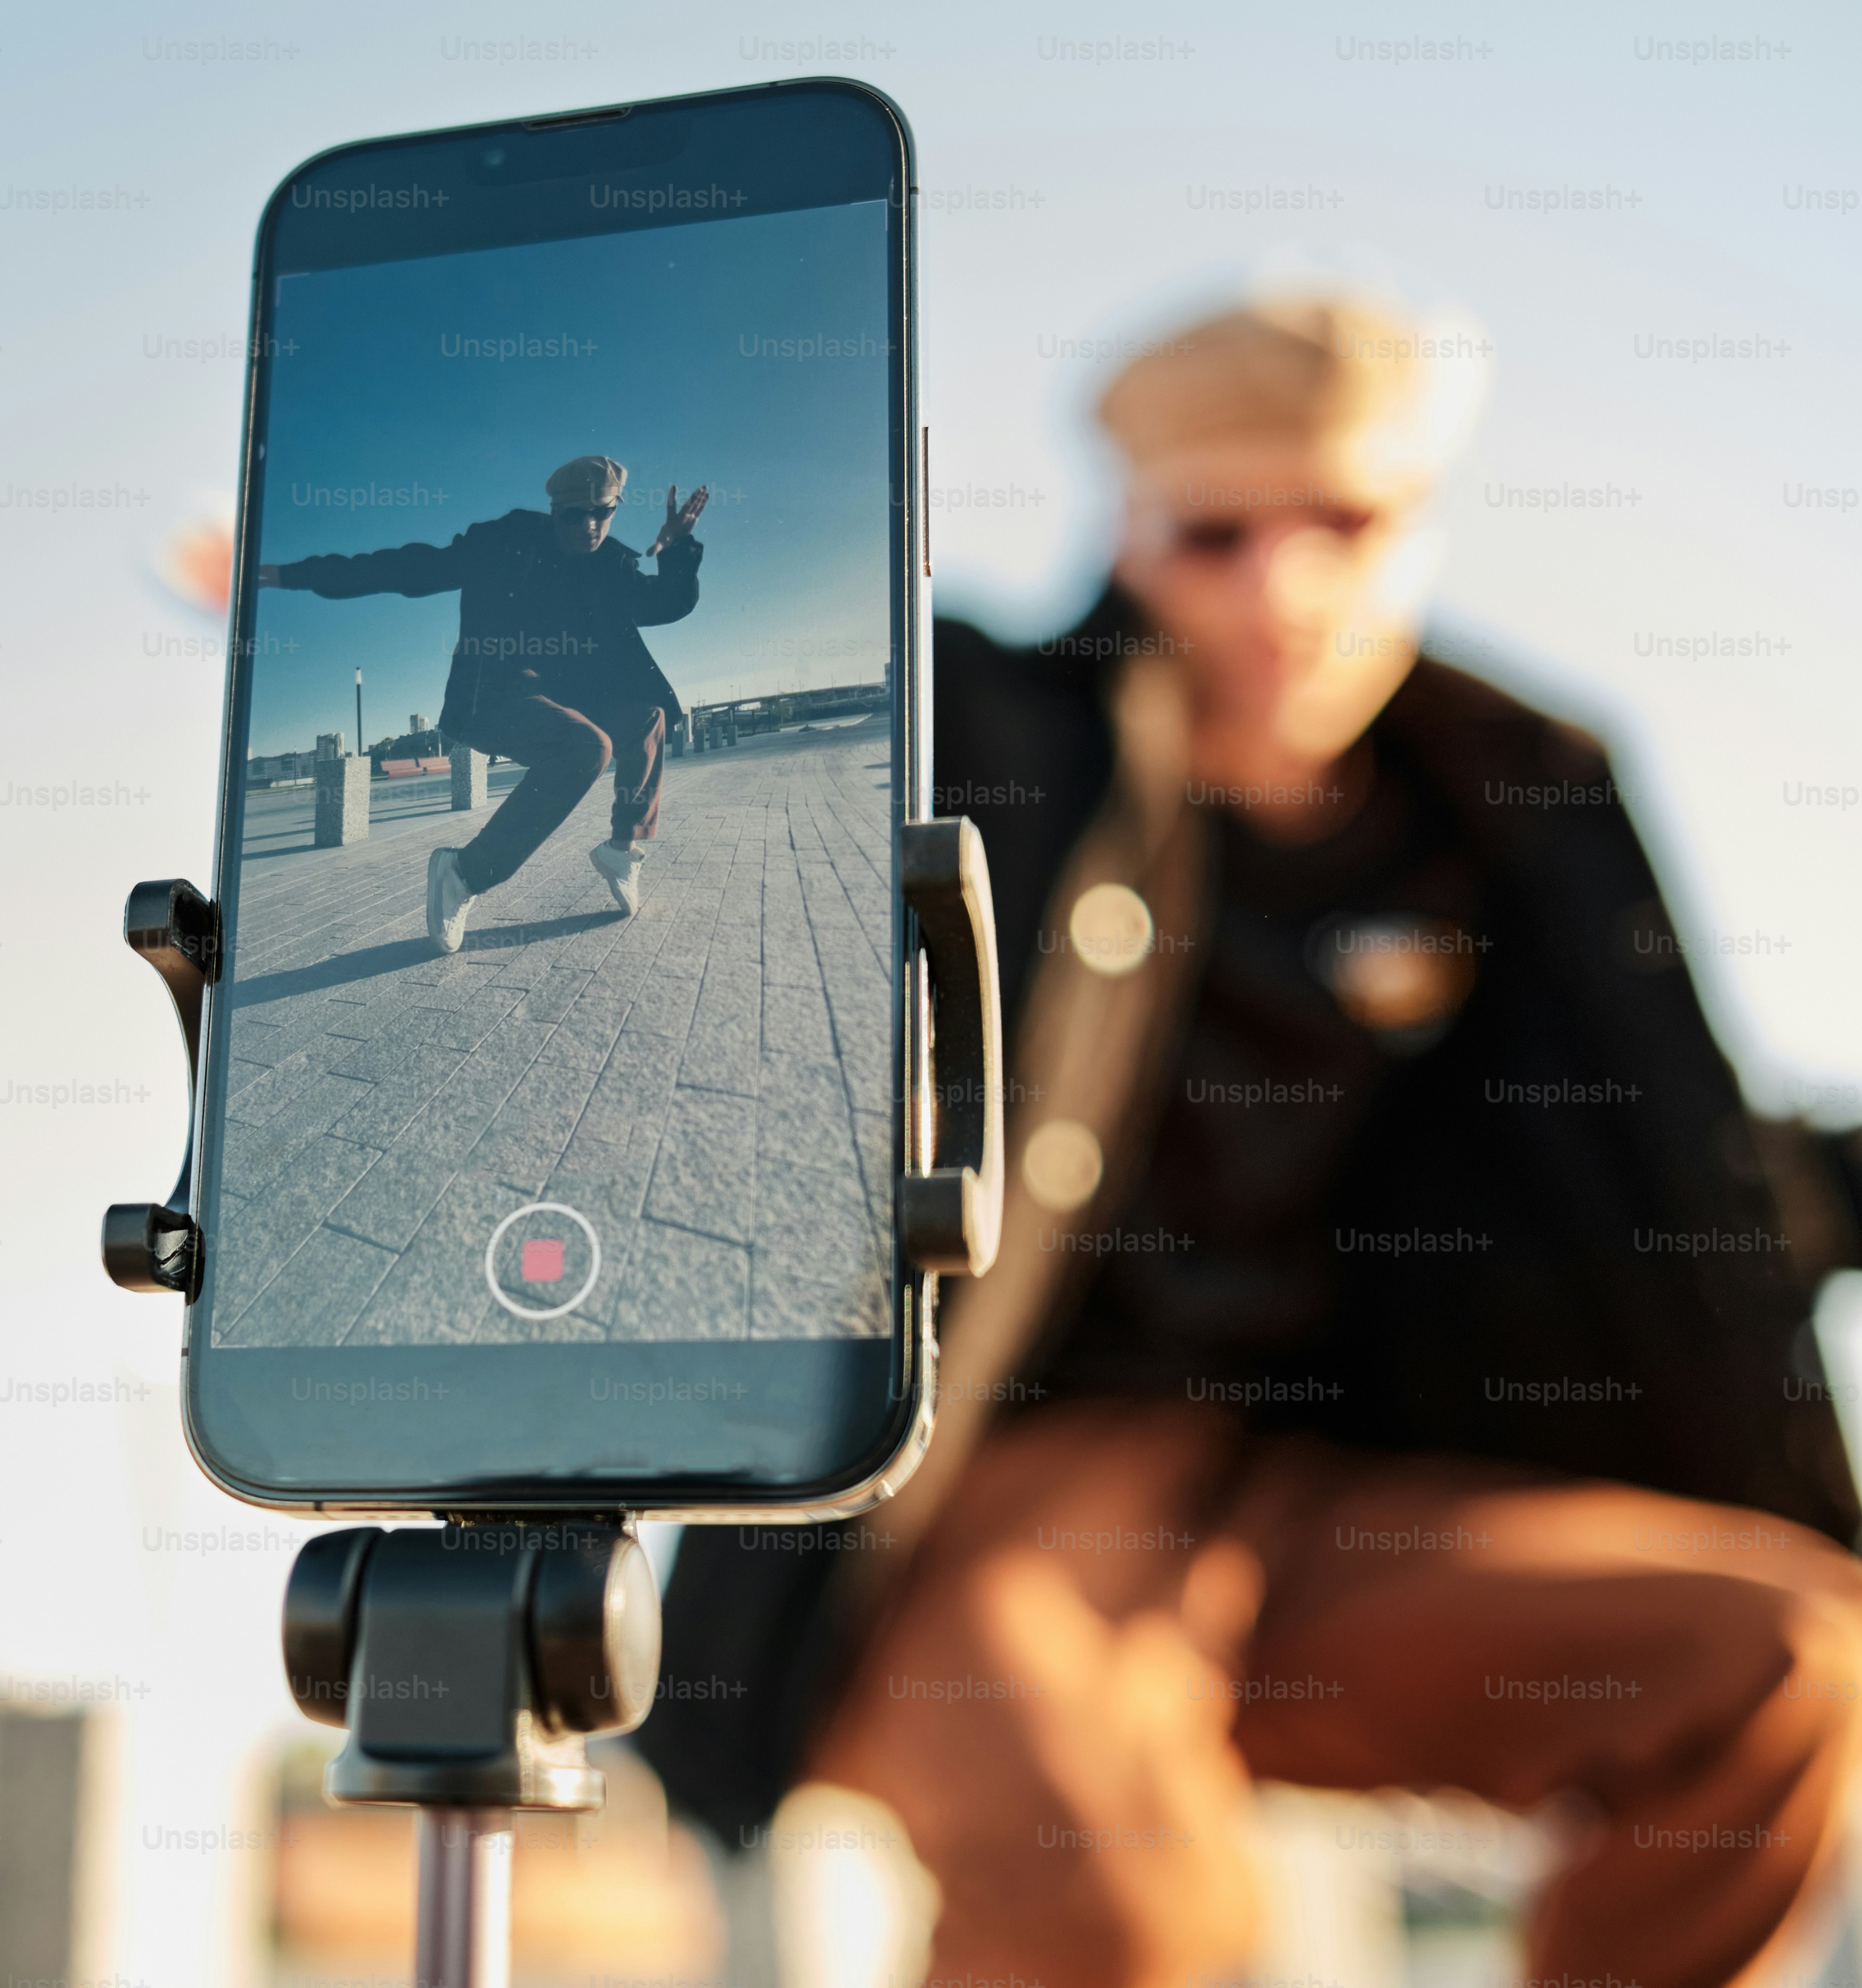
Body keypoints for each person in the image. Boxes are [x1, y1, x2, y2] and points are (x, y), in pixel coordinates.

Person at [638, 294, 1862, 1988]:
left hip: (1318, 1503)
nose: (1280, 589)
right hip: (997, 1494)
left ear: (1418, 522)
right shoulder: (991, 731)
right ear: (1131, 540)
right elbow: (731, 709)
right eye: (1214, 533)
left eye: (1342, 523)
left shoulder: (1511, 794)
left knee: (1783, 1659)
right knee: (1125, 1897)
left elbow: (1680, 1175)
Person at [259, 455, 709, 952]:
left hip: (567, 699)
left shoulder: (612, 567)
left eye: (601, 514)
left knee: (646, 717)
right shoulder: (503, 543)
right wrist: (287, 574)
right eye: (573, 516)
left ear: (615, 509)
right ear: (554, 509)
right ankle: (463, 873)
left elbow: (669, 604)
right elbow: (404, 568)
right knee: (588, 747)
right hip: (496, 694)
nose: (589, 527)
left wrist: (678, 546)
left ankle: (621, 852)